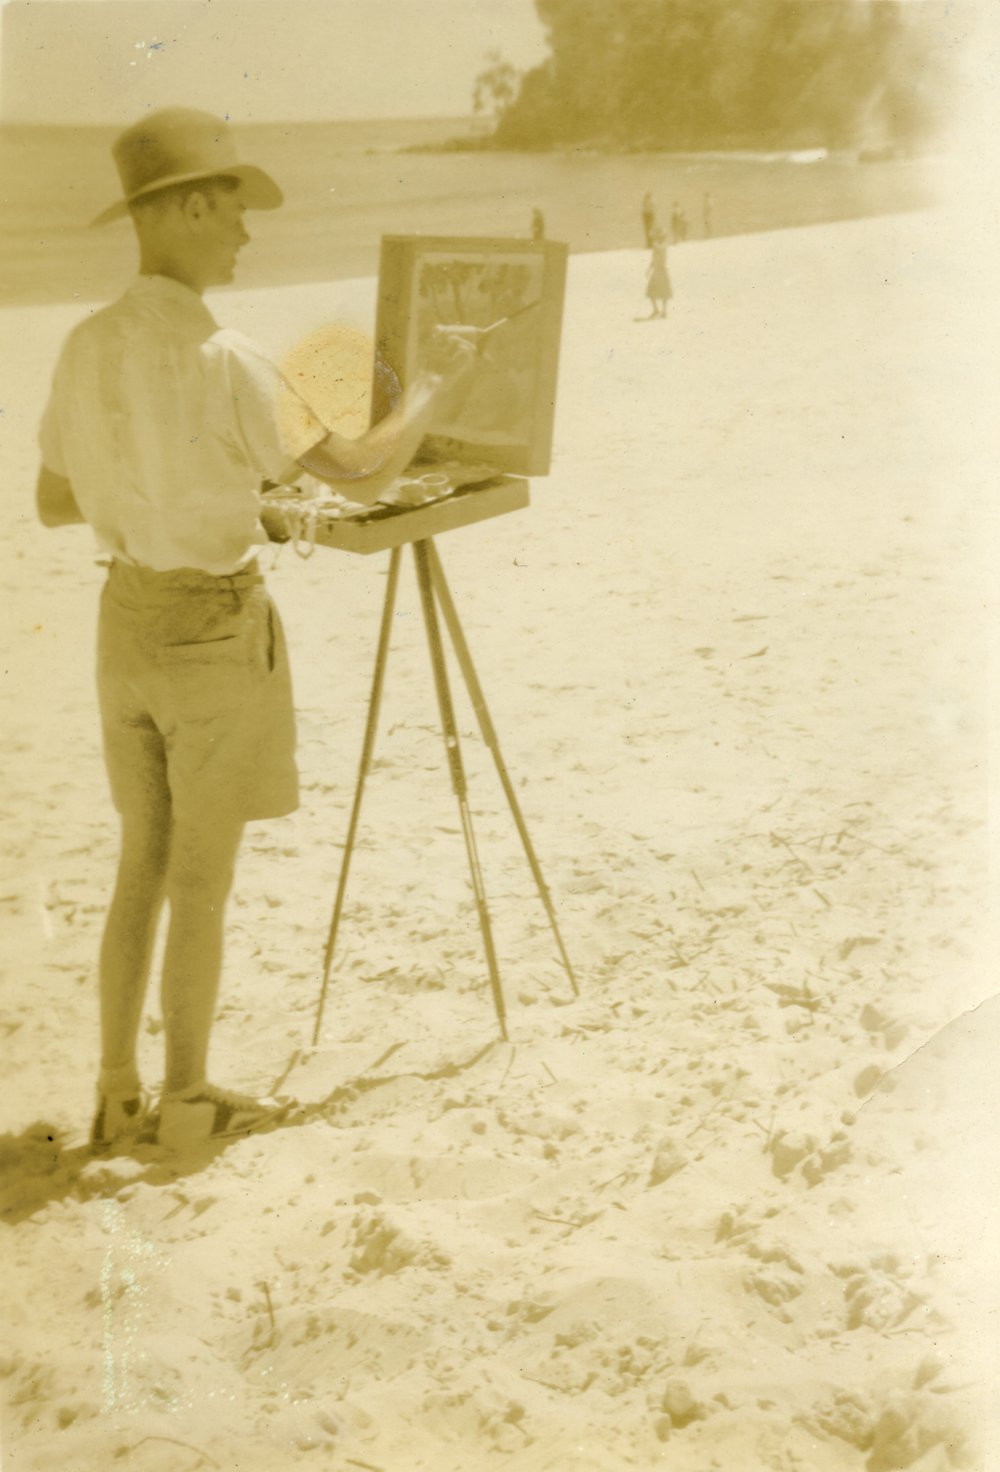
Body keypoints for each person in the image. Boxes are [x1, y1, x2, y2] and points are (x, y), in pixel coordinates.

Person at [36, 108, 476, 1154]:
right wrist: (433, 387)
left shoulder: (84, 343)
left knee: (138, 863)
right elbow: (364, 465)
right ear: (186, 208)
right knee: (200, 878)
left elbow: (57, 501)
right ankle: (188, 1100)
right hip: (208, 630)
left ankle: (116, 1094)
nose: (245, 234)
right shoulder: (224, 354)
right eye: (231, 208)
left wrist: (169, 487)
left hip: (123, 625)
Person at [643, 227, 673, 320]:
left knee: (661, 292)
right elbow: (653, 259)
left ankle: (662, 311)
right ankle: (658, 310)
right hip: (659, 270)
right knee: (653, 292)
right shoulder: (658, 246)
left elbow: (659, 254)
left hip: (661, 270)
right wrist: (649, 269)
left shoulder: (661, 246)